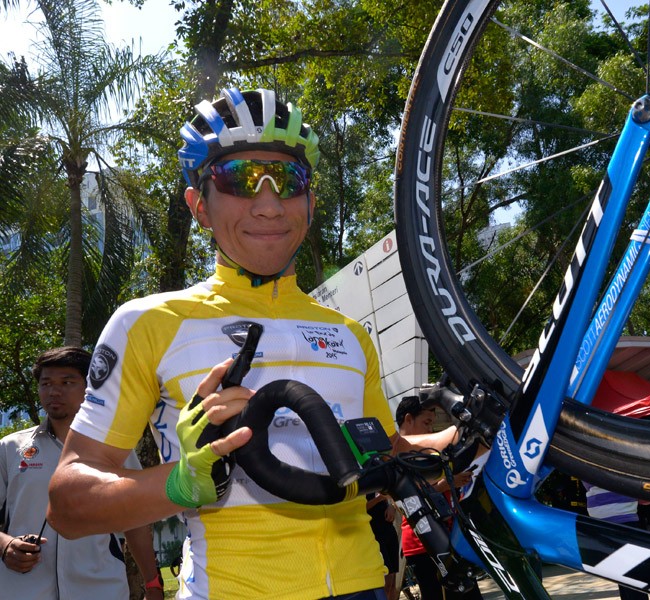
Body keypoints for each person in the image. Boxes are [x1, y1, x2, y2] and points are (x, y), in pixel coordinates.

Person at [46, 88, 457, 600]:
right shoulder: (150, 323)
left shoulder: (350, 335)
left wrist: (469, 436)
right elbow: (66, 505)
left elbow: (388, 454)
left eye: (287, 180)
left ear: (309, 199)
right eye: (237, 180)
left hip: (364, 586)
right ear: (199, 205)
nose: (268, 204)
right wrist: (180, 483)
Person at [1, 347, 162, 599]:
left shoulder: (117, 450)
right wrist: (5, 545)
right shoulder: (10, 448)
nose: (54, 391)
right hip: (22, 590)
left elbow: (136, 522)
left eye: (67, 382)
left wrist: (152, 584)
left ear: (89, 387)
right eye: (46, 383)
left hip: (101, 589)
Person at [395, 397, 482, 600]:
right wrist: (448, 481)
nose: (430, 429)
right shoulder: (393, 454)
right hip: (422, 543)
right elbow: (405, 494)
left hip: (449, 537)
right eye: (426, 423)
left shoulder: (428, 451)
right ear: (408, 420)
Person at [582, 482, 648, 600]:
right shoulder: (623, 464)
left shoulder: (586, 466)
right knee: (634, 574)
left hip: (600, 521)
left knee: (622, 573)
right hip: (624, 519)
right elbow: (643, 497)